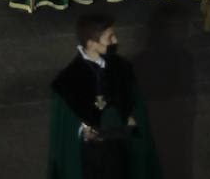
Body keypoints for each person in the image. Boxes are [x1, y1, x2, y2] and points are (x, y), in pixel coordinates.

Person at [48, 14, 161, 179]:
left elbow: (135, 107)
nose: (115, 41)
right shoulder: (68, 82)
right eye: (110, 38)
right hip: (89, 157)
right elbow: (66, 134)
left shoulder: (122, 68)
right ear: (91, 44)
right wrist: (85, 129)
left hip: (121, 151)